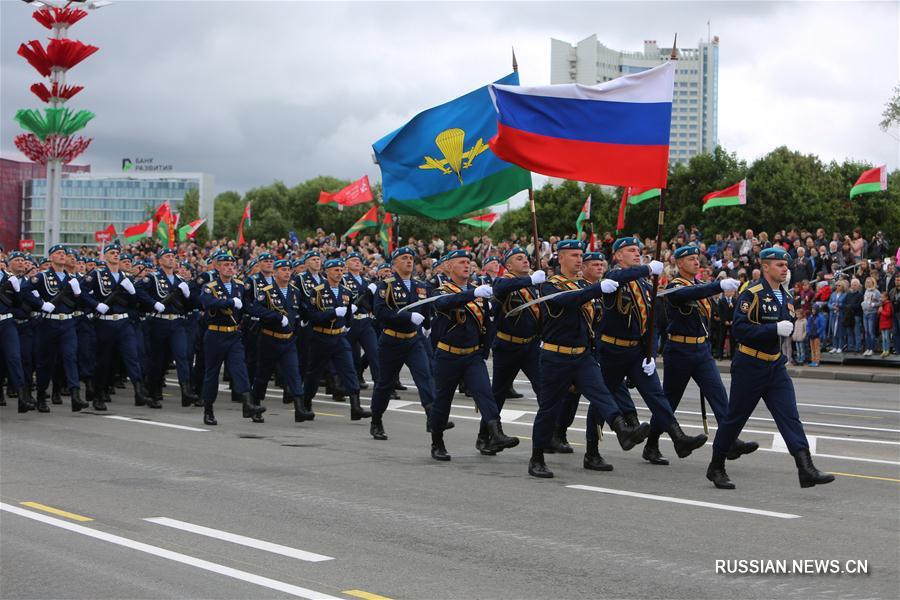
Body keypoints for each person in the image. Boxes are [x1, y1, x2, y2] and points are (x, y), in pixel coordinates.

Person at [706, 247, 834, 489]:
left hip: (774, 365)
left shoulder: (785, 296)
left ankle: (805, 468)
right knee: (734, 418)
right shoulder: (752, 293)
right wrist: (772, 329)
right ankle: (716, 466)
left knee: (790, 416)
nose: (785, 269)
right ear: (765, 267)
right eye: (779, 265)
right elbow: (740, 330)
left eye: (786, 266)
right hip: (750, 364)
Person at [528, 239, 650, 479]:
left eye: (579, 254)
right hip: (555, 356)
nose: (577, 259)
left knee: (603, 394)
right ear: (560, 258)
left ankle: (622, 430)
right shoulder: (549, 285)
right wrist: (596, 289)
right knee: (549, 410)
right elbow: (568, 300)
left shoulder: (586, 284)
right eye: (572, 255)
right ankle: (537, 457)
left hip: (583, 355)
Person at [597, 237, 708, 462]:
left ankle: (679, 438)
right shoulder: (613, 278)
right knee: (602, 401)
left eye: (639, 250)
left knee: (656, 396)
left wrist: (651, 352)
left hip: (637, 353)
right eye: (630, 250)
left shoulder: (647, 285)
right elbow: (616, 277)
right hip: (612, 351)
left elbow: (654, 323)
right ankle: (592, 450)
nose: (637, 253)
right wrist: (647, 268)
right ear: (618, 255)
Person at [644, 245, 757, 466]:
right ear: (678, 263)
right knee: (670, 401)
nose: (697, 262)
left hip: (701, 350)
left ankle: (731, 441)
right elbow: (687, 295)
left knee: (719, 395)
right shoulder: (676, 286)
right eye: (691, 259)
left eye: (698, 258)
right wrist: (717, 286)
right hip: (679, 350)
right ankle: (651, 444)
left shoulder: (699, 285)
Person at [427, 249, 518, 460]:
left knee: (485, 393)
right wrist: (473, 294)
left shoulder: (480, 292)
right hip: (447, 355)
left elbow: (487, 325)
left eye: (469, 262)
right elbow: (444, 304)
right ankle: (437, 441)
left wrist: (483, 352)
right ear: (449, 267)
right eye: (461, 262)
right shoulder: (440, 291)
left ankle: (496, 433)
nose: (467, 265)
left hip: (472, 356)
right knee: (443, 401)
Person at [369, 247, 444, 440]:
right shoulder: (385, 285)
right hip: (391, 340)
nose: (409, 261)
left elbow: (426, 308)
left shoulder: (420, 285)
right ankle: (376, 419)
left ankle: (432, 417)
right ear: (394, 264)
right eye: (404, 258)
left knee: (425, 377)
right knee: (385, 384)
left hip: (413, 339)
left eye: (411, 258)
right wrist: (408, 316)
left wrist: (427, 324)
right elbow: (380, 313)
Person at [486, 247, 544, 455]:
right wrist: (531, 281)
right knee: (498, 394)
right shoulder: (504, 282)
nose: (525, 261)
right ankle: (487, 437)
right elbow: (502, 287)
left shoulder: (535, 284)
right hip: (507, 346)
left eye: (526, 258)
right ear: (508, 265)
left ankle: (549, 436)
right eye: (519, 259)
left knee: (544, 389)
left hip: (530, 347)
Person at [300, 258, 371, 422]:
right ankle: (305, 402)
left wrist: (347, 325)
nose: (339, 273)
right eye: (336, 270)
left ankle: (356, 407)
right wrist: (332, 313)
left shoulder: (345, 291)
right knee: (313, 374)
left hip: (339, 337)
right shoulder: (317, 291)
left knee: (349, 370)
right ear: (327, 272)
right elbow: (312, 316)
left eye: (341, 270)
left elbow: (348, 314)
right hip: (321, 337)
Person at [197, 252, 262, 425]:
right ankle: (208, 409)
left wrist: (265, 316)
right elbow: (207, 302)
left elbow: (248, 307)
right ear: (217, 267)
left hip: (233, 334)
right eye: (225, 265)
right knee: (212, 373)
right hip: (215, 334)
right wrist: (230, 303)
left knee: (240, 368)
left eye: (232, 265)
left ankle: (248, 404)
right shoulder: (209, 286)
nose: (229, 268)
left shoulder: (239, 286)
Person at [248, 258, 312, 422]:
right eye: (283, 269)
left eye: (289, 269)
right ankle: (255, 405)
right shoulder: (266, 291)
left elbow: (299, 312)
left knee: (293, 373)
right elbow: (255, 308)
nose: (287, 272)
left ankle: (300, 409)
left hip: (288, 340)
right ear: (275, 273)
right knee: (262, 375)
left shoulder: (294, 291)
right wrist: (276, 316)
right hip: (269, 338)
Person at [136, 248, 199, 410]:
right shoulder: (152, 277)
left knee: (182, 355)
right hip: (158, 323)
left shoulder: (179, 280)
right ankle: (153, 392)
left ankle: (186, 390)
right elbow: (138, 292)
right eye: (167, 257)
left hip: (177, 323)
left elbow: (192, 304)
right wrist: (153, 303)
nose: (171, 259)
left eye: (173, 256)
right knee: (158, 360)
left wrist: (188, 295)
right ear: (159, 261)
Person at [861, 277, 881, 356]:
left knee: (871, 331)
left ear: (873, 283)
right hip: (865, 313)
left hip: (872, 313)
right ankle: (868, 348)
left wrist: (874, 304)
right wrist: (863, 304)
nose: (868, 283)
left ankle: (872, 349)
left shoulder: (876, 292)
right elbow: (865, 300)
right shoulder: (866, 291)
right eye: (867, 282)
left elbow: (880, 302)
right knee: (866, 332)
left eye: (869, 282)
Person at [878, 291, 893, 358]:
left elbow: (888, 314)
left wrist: (881, 311)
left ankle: (887, 350)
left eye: (882, 297)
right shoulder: (882, 304)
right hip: (882, 323)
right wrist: (879, 312)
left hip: (887, 323)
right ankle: (884, 350)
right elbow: (879, 314)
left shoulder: (888, 304)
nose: (881, 298)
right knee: (883, 338)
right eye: (880, 297)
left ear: (886, 297)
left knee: (887, 338)